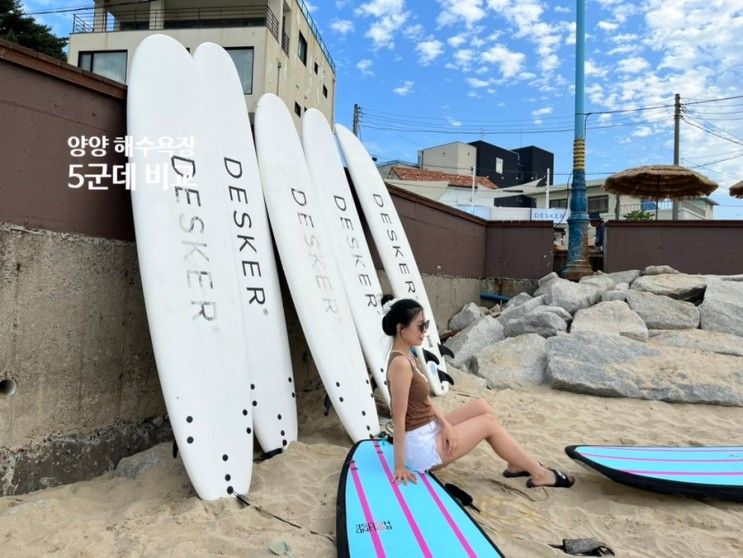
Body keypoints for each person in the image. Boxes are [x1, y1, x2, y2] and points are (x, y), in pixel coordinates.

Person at [382, 296, 574, 489]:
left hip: (428, 428)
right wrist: (399, 466)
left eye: (426, 325)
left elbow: (426, 402)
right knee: (488, 424)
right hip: (419, 448)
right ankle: (539, 474)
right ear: (401, 329)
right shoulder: (400, 364)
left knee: (482, 406)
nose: (424, 332)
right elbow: (398, 418)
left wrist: (446, 425)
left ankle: (516, 464)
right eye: (420, 326)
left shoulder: (408, 355)